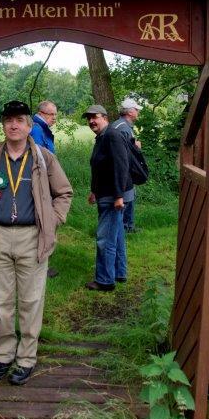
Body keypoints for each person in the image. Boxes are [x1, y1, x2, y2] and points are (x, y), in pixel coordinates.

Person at [0, 100, 72, 385]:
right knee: (1, 301)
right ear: (3, 125)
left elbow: (64, 192)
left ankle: (26, 358)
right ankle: (4, 355)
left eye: (19, 120)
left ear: (29, 125)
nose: (13, 125)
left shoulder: (43, 158)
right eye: (8, 120)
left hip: (32, 238)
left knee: (30, 301)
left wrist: (52, 220)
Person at [83, 104, 133, 291]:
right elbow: (101, 167)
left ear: (104, 117)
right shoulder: (102, 137)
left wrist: (118, 196)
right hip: (106, 193)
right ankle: (119, 272)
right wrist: (94, 191)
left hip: (113, 196)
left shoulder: (112, 135)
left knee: (105, 239)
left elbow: (121, 166)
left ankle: (105, 280)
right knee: (117, 236)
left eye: (94, 117)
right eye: (88, 118)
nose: (91, 121)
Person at [30, 100, 59, 278]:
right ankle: (38, 264)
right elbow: (38, 158)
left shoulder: (41, 128)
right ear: (41, 113)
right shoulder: (36, 130)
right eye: (51, 114)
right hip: (40, 183)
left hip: (45, 181)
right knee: (41, 220)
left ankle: (40, 261)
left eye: (55, 114)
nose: (54, 118)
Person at [111, 98, 143, 233]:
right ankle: (123, 228)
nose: (138, 112)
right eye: (136, 110)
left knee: (129, 194)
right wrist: (137, 147)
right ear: (130, 112)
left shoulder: (120, 125)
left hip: (124, 168)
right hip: (122, 169)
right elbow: (123, 152)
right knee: (126, 196)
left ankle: (128, 226)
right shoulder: (123, 128)